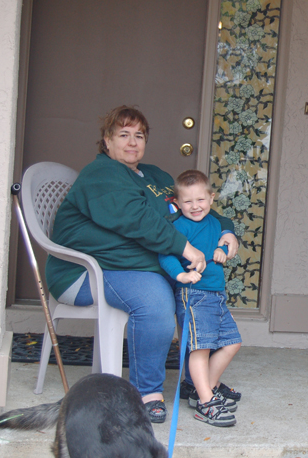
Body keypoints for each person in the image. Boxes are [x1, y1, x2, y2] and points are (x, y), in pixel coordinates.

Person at [46, 105, 240, 424]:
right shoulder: (102, 173)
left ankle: (198, 382)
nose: (132, 141)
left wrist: (227, 228)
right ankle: (146, 391)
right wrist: (185, 247)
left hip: (132, 265)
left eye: (139, 135)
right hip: (85, 271)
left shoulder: (154, 176)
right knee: (155, 300)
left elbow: (190, 206)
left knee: (195, 296)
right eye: (123, 134)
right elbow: (138, 220)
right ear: (107, 141)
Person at [159, 170, 242, 427]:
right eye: (188, 201)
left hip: (216, 295)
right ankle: (206, 401)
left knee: (231, 343)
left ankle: (203, 388)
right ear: (177, 202)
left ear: (211, 198)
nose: (195, 206)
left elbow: (224, 244)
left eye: (200, 200)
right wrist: (181, 276)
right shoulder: (178, 227)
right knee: (200, 348)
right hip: (194, 294)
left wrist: (223, 249)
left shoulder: (216, 224)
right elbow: (166, 255)